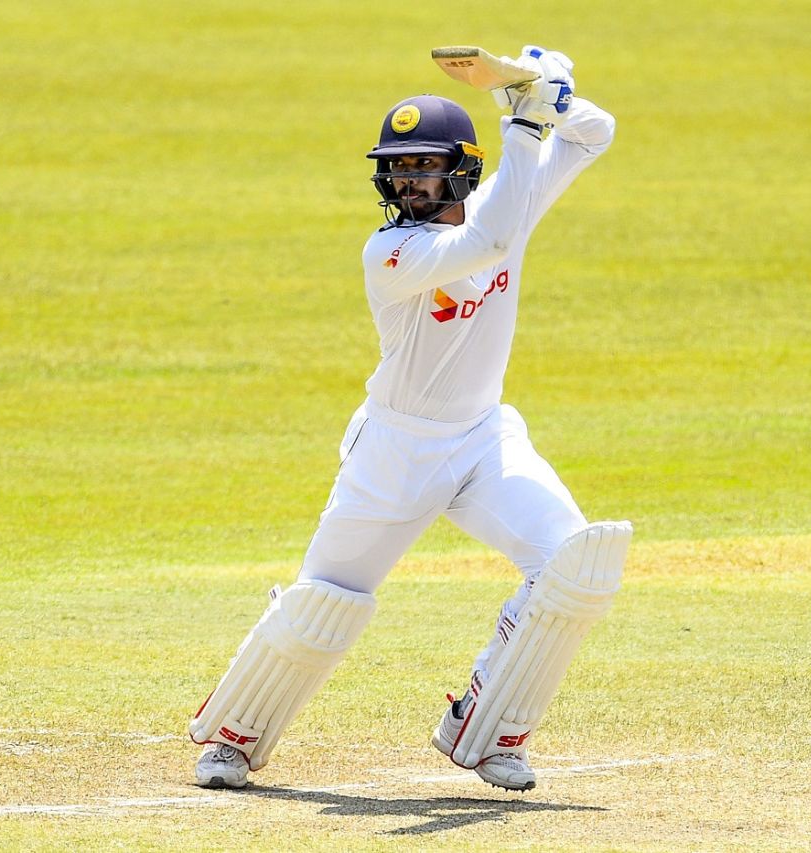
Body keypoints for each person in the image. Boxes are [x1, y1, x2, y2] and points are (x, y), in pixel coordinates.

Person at [190, 46, 632, 792]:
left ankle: (488, 726)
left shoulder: (509, 194)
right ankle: (234, 733)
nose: (407, 182)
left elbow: (598, 132)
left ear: (460, 168)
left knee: (573, 565)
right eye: (396, 170)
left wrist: (550, 97)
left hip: (483, 438)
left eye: (423, 167)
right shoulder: (390, 250)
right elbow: (488, 241)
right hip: (394, 449)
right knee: (324, 600)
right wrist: (525, 123)